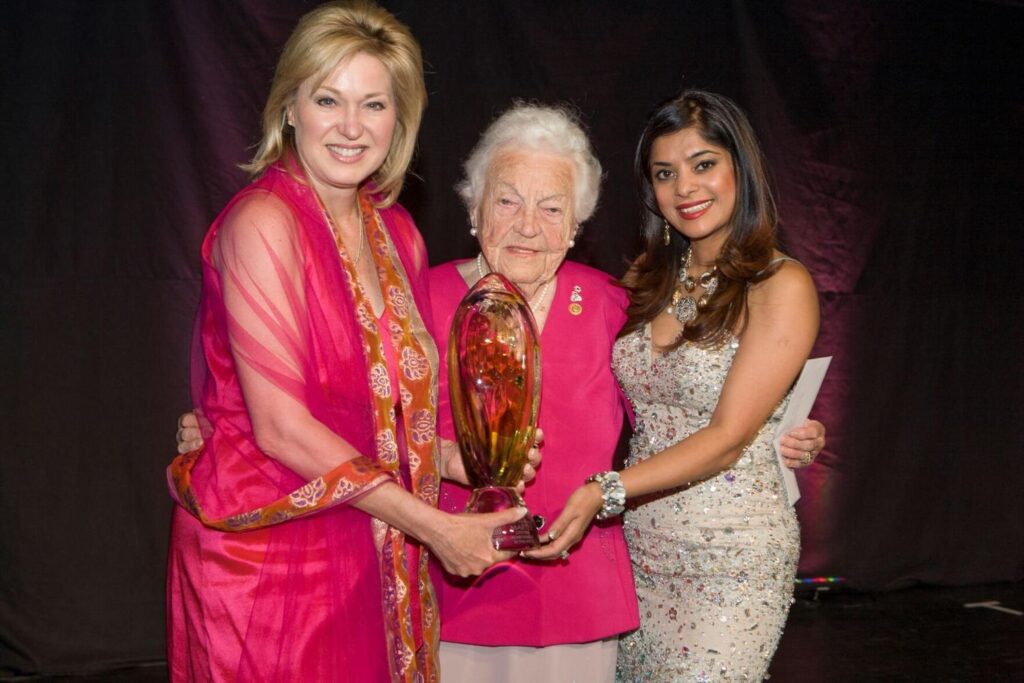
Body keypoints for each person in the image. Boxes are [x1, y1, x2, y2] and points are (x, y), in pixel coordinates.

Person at [177, 99, 826, 682]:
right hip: (449, 588)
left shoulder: (611, 304)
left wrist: (781, 428)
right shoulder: (409, 299)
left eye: (552, 208)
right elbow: (322, 403)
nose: (527, 225)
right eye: (507, 200)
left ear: (577, 224)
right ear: (473, 208)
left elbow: (679, 400)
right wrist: (225, 426)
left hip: (582, 601)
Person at [164, 3, 527, 681]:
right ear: (290, 107)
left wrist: (474, 461)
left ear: (400, 119)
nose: (352, 126)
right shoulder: (263, 223)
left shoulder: (398, 234)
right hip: (271, 564)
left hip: (372, 549)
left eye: (374, 104)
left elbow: (394, 415)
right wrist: (434, 525)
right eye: (328, 99)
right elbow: (281, 430)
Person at [530, 90, 821, 681]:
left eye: (704, 164)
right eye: (666, 173)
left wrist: (600, 493)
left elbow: (727, 437)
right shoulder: (649, 277)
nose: (685, 187)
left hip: (731, 556)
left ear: (741, 166)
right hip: (640, 547)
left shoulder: (780, 284)